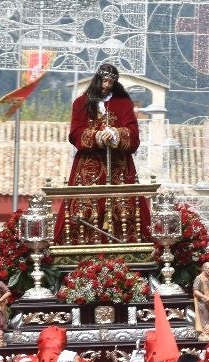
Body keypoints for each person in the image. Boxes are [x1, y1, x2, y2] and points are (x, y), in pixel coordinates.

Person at [61, 63, 144, 245]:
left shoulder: (123, 103)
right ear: (97, 79)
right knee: (84, 210)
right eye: (104, 81)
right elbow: (75, 134)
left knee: (124, 211)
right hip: (88, 168)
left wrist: (116, 134)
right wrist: (96, 136)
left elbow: (134, 135)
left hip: (118, 167)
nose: (106, 85)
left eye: (111, 82)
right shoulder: (81, 103)